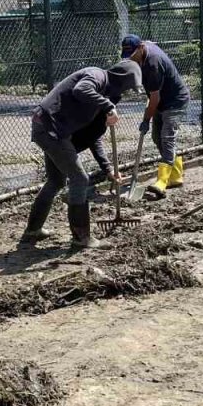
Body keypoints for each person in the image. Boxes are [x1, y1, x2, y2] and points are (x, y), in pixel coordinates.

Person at [23, 59, 142, 249]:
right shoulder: (97, 76)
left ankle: (32, 231)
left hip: (51, 129)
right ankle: (81, 237)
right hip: (50, 129)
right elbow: (80, 89)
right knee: (79, 179)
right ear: (121, 81)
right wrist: (108, 105)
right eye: (126, 88)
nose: (123, 93)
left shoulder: (99, 96)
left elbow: (92, 137)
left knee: (56, 181)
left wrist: (108, 168)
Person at [120, 34, 190, 200]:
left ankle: (162, 182)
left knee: (167, 138)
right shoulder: (145, 49)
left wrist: (146, 119)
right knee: (157, 138)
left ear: (141, 47)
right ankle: (176, 176)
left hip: (174, 101)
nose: (131, 59)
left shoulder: (153, 63)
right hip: (161, 101)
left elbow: (154, 98)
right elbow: (153, 97)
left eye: (133, 55)